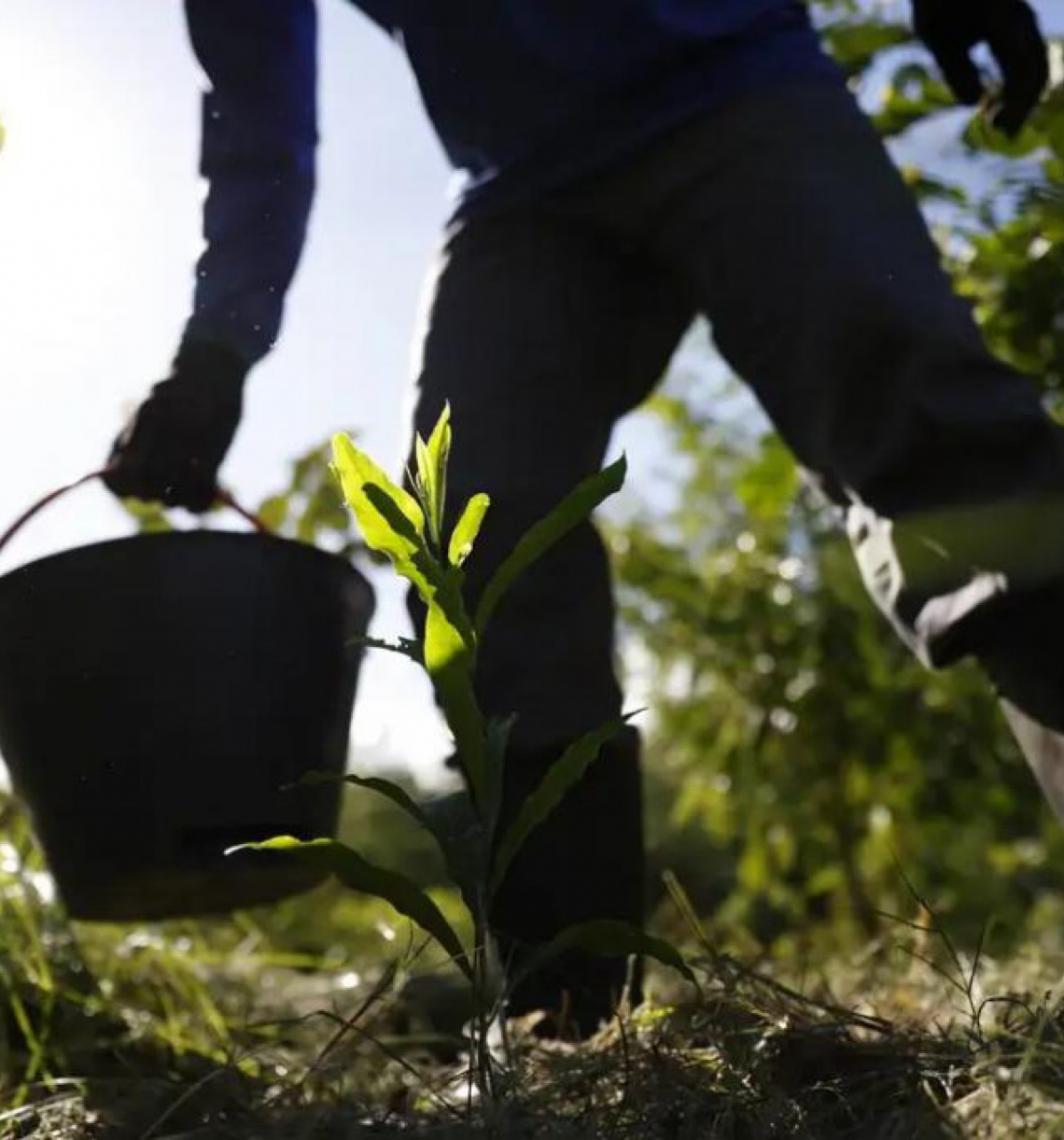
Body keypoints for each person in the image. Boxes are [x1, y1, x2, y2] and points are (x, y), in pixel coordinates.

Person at [105, 0, 1060, 1035]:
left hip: (734, 76)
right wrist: (217, 350)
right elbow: (253, 112)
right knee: (475, 535)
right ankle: (567, 1021)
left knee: (935, 433)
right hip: (521, 186)